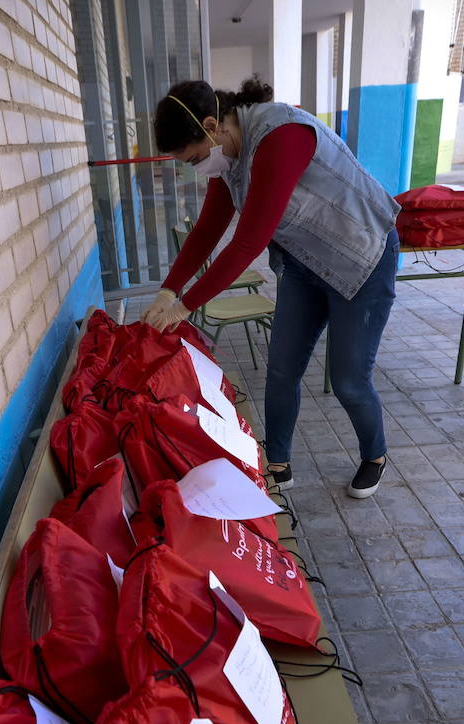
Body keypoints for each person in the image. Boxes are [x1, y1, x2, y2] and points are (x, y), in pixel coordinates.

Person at [143, 78, 401, 499]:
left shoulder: (281, 135)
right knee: (281, 367)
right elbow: (207, 230)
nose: (195, 168)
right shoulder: (228, 155)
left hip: (362, 258)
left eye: (192, 159)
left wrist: (186, 305)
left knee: (349, 379)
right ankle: (277, 462)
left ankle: (375, 455)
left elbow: (247, 242)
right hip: (305, 263)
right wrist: (168, 291)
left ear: (212, 126)